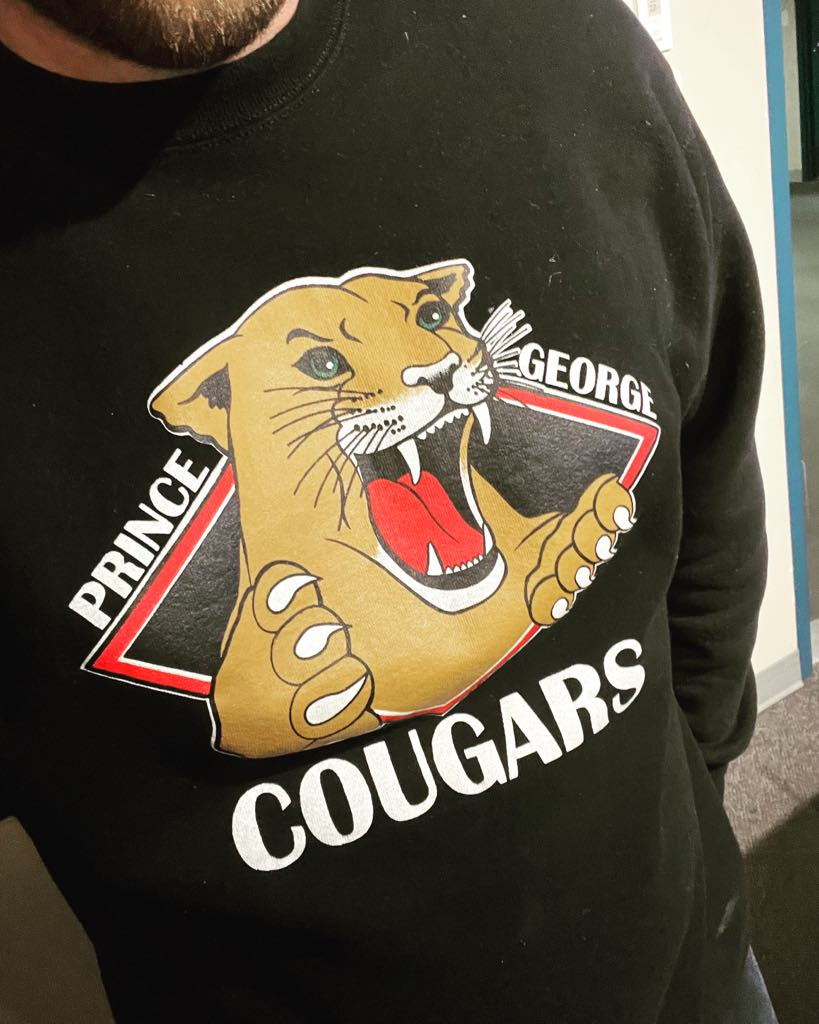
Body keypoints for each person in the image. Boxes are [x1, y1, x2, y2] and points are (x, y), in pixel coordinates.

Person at [0, 0, 779, 1021]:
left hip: (697, 980)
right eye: (327, 365)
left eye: (428, 319)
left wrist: (699, 783)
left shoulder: (562, 40)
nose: (426, 365)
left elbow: (711, 478)